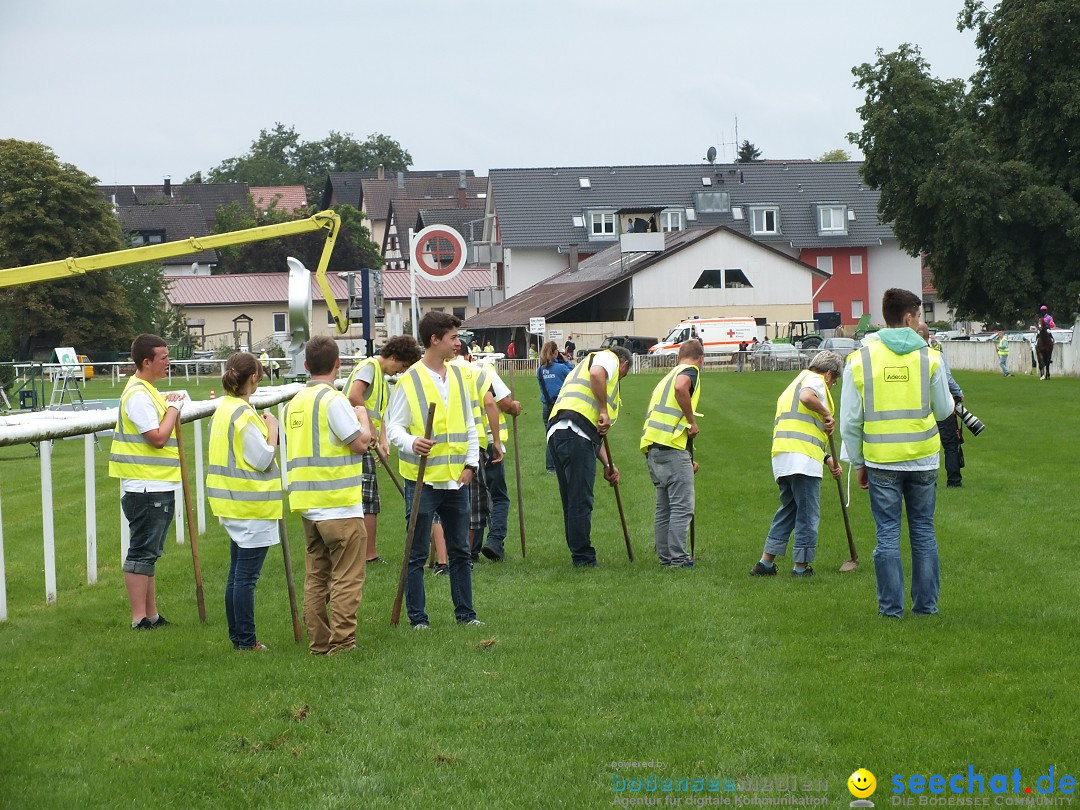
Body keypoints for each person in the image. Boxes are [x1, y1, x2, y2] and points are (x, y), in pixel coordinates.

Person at [839, 288, 954, 618]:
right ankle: (926, 607)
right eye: (918, 316)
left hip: (881, 460)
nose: (920, 322)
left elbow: (849, 421)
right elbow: (945, 410)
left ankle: (891, 609)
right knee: (923, 531)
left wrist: (858, 462)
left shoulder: (859, 360)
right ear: (908, 318)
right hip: (923, 458)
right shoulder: (930, 357)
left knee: (887, 534)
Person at [385, 312, 483, 628]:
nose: (459, 343)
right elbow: (393, 426)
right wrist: (412, 442)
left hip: (455, 480)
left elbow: (468, 424)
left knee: (460, 552)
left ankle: (466, 615)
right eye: (454, 337)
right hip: (422, 480)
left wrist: (471, 464)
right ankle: (419, 620)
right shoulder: (409, 379)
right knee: (416, 555)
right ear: (435, 340)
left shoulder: (457, 375)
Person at [284, 336, 372, 655]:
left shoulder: (294, 403)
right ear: (338, 364)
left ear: (306, 366)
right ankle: (343, 642)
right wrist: (364, 420)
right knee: (346, 578)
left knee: (316, 578)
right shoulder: (333, 400)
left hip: (308, 507)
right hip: (339, 505)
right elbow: (359, 443)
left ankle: (319, 643)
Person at [207, 352, 282, 652]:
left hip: (231, 502)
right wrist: (273, 430)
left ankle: (239, 639)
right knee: (245, 580)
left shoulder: (223, 409)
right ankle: (247, 642)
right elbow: (263, 458)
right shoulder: (243, 415)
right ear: (253, 378)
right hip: (251, 506)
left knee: (236, 576)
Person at [109, 334, 182, 630]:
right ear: (146, 362)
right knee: (142, 551)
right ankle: (139, 617)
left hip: (155, 484)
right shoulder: (138, 394)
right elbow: (157, 438)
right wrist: (175, 409)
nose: (168, 362)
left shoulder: (148, 390)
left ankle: (151, 615)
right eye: (163, 358)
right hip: (145, 487)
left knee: (151, 552)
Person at [751, 350, 844, 577]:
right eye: (834, 381)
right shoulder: (815, 381)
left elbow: (801, 428)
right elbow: (807, 398)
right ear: (829, 374)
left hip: (784, 456)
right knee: (808, 514)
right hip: (802, 461)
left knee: (789, 510)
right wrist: (827, 414)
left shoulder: (793, 384)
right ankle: (801, 567)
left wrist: (826, 458)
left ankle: (766, 563)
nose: (832, 386)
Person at [546, 344, 633, 567]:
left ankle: (579, 552)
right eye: (622, 376)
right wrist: (604, 410)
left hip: (560, 431)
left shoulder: (579, 368)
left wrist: (607, 464)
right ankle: (583, 558)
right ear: (623, 364)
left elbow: (590, 431)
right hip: (574, 432)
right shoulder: (608, 358)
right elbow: (598, 374)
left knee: (572, 499)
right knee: (580, 500)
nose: (619, 379)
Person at [345, 336, 423, 563]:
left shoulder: (380, 378)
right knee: (369, 501)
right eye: (402, 366)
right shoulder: (369, 367)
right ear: (395, 357)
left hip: (366, 440)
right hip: (357, 441)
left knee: (369, 499)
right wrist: (369, 431)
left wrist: (383, 439)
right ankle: (369, 555)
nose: (400, 372)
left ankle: (363, 552)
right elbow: (353, 396)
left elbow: (378, 414)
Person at [640, 339, 704, 569]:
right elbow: (681, 388)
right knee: (681, 507)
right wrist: (691, 421)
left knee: (664, 507)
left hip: (654, 447)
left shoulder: (666, 378)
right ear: (700, 358)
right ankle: (678, 559)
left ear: (678, 356)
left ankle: (666, 558)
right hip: (671, 448)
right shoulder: (689, 371)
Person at [472, 360, 521, 562]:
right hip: (490, 442)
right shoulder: (483, 370)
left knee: (473, 499)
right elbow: (502, 402)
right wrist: (515, 407)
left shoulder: (444, 372)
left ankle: (471, 550)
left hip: (463, 445)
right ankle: (494, 542)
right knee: (498, 496)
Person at [916, 323, 964, 488]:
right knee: (950, 444)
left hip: (921, 409)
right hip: (941, 406)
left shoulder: (910, 358)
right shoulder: (936, 355)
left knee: (925, 446)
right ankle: (954, 480)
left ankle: (930, 481)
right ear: (929, 337)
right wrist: (958, 392)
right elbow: (948, 378)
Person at [537, 340, 573, 473]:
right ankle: (563, 464)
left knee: (550, 436)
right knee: (564, 436)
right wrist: (566, 361)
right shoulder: (562, 368)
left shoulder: (540, 370)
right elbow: (574, 373)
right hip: (560, 405)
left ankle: (550, 466)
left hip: (546, 405)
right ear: (556, 352)